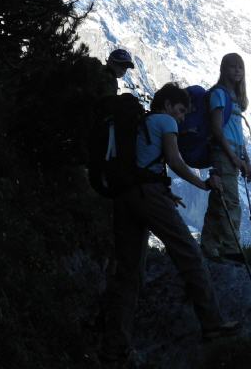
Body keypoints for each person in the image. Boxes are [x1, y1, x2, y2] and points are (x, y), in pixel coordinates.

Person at [100, 83, 238, 363]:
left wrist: (166, 192)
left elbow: (143, 166)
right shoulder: (164, 121)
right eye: (181, 111)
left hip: (126, 197)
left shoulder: (142, 124)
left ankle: (114, 344)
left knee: (128, 273)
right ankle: (212, 324)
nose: (183, 118)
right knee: (189, 253)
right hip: (150, 197)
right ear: (167, 106)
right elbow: (174, 161)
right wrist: (201, 184)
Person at [200, 53, 251, 263]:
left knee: (218, 200)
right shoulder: (219, 95)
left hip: (233, 153)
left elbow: (238, 133)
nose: (237, 70)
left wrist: (246, 160)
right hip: (223, 154)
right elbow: (217, 129)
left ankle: (209, 246)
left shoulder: (236, 99)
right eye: (232, 67)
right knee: (230, 201)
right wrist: (234, 158)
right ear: (223, 69)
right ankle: (232, 249)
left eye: (240, 67)